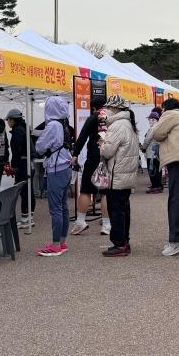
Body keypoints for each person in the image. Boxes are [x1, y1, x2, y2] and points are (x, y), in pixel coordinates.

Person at [145, 98, 179, 256]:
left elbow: (157, 133)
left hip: (177, 161)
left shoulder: (171, 114)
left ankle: (177, 240)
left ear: (166, 108)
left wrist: (162, 119)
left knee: (176, 200)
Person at [98, 95, 141, 258]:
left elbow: (108, 151)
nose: (106, 111)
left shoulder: (117, 126)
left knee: (116, 211)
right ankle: (124, 241)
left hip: (117, 176)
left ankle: (119, 244)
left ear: (115, 109)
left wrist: (102, 145)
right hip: (126, 175)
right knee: (123, 210)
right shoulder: (129, 124)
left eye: (108, 108)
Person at [33, 96, 74, 257]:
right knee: (63, 207)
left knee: (55, 208)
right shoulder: (64, 123)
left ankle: (55, 245)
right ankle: (62, 242)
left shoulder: (52, 125)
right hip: (66, 168)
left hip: (56, 169)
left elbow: (40, 146)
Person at [72, 95, 110, 237]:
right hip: (107, 156)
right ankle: (107, 224)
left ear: (93, 107)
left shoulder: (93, 118)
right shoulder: (111, 117)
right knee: (106, 191)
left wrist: (75, 154)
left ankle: (80, 221)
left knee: (86, 190)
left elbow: (82, 137)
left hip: (93, 156)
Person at [6, 108, 33, 227]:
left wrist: (14, 166)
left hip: (22, 164)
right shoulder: (25, 129)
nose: (7, 122)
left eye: (8, 120)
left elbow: (16, 151)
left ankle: (25, 219)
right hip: (28, 163)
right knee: (29, 190)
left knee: (24, 191)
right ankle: (30, 218)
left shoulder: (18, 132)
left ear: (13, 120)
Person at [144, 108, 164, 194]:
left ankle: (155, 186)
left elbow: (147, 139)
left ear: (153, 119)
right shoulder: (160, 126)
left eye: (150, 119)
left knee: (152, 170)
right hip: (157, 153)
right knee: (157, 170)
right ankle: (158, 185)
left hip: (151, 153)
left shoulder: (153, 128)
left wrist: (143, 148)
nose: (149, 121)